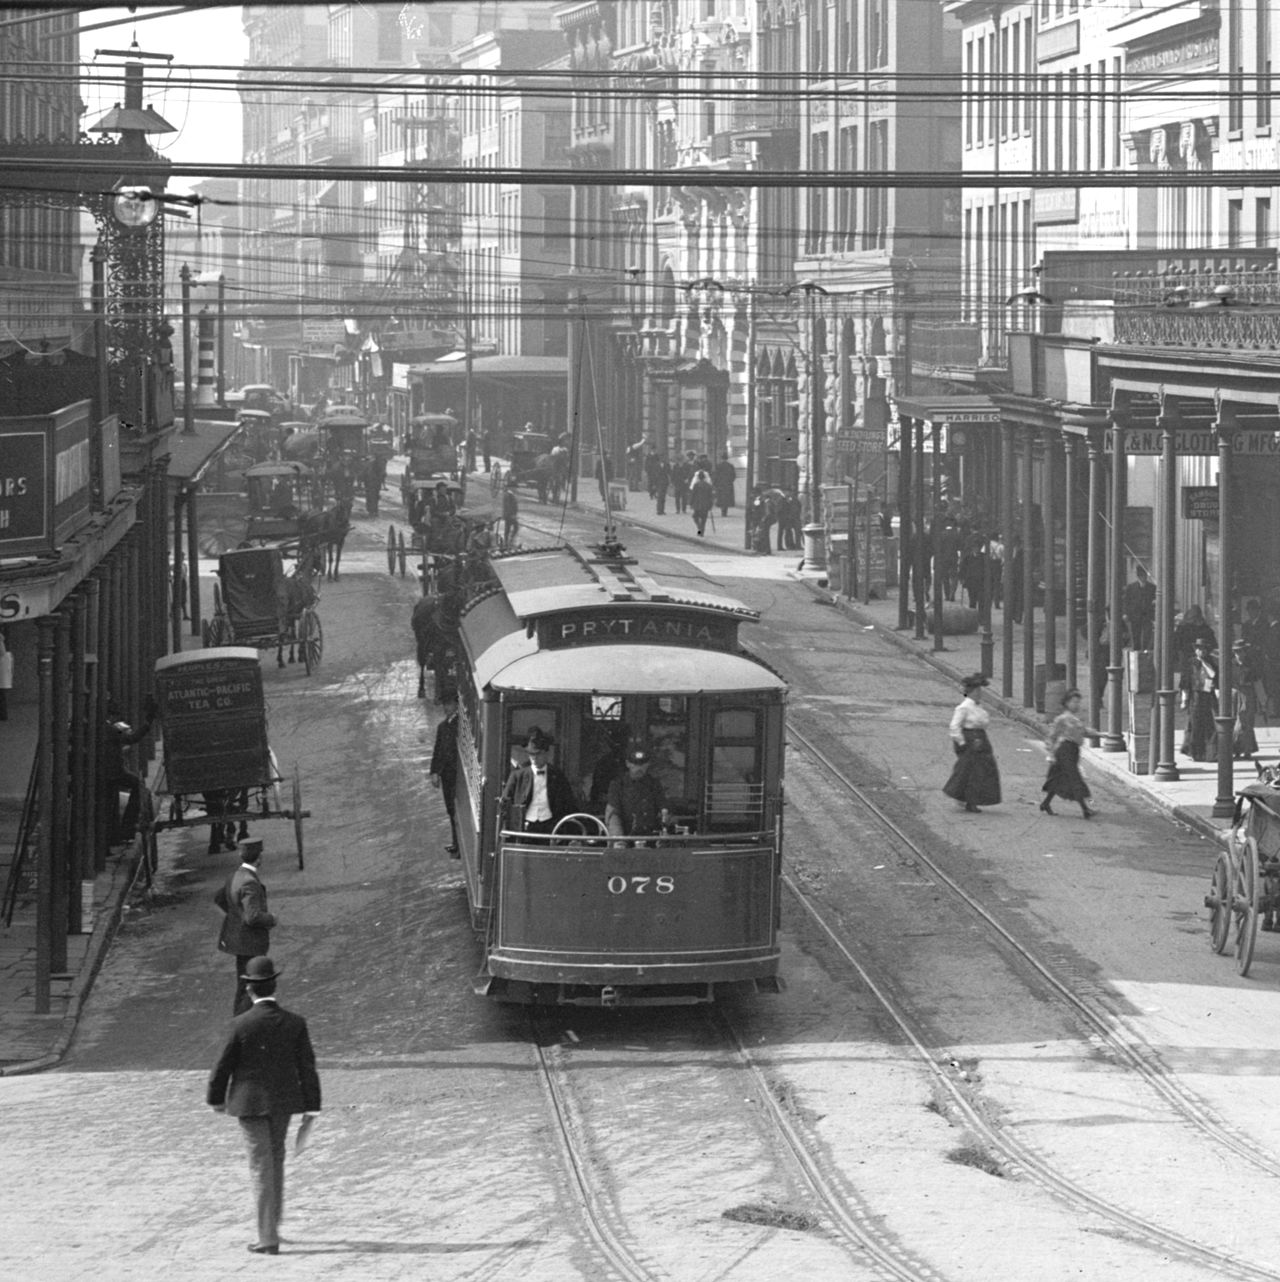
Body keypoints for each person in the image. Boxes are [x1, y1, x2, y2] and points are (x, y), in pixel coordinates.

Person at [207, 957, 321, 1257]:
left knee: (260, 1165)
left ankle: (267, 1237)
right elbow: (307, 1067)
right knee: (277, 1158)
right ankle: (274, 1222)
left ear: (249, 989)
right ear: (274, 985)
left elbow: (222, 1067)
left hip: (249, 1104)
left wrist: (216, 1099)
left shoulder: (240, 1024)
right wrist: (312, 1106)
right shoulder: (295, 1023)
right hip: (284, 1103)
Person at [214, 837, 278, 1016]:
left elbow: (220, 899)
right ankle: (242, 1023)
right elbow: (253, 917)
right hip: (251, 942)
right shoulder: (250, 881)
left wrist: (236, 915)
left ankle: (240, 1021)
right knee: (251, 985)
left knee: (243, 985)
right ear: (258, 857)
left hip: (238, 941)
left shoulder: (234, 876)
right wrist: (271, 919)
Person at [499, 726, 577, 836]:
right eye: (531, 754)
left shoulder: (557, 776)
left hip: (551, 829)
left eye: (538, 754)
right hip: (524, 829)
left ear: (546, 754)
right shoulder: (517, 776)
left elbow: (568, 805)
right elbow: (505, 803)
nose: (534, 758)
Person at [942, 673, 1002, 813]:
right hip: (971, 742)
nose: (979, 694)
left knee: (983, 771)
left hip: (981, 741)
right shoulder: (964, 708)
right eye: (977, 691)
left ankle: (972, 799)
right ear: (972, 692)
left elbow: (983, 724)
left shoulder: (978, 707)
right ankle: (970, 800)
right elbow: (954, 727)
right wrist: (962, 743)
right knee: (972, 772)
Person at [103, 696, 156, 844]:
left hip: (104, 772)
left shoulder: (103, 727)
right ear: (112, 715)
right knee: (137, 784)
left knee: (110, 805)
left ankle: (115, 835)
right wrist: (147, 724)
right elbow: (132, 738)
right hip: (114, 773)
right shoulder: (111, 729)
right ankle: (128, 827)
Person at [1040, 688, 1099, 819]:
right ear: (1066, 703)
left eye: (1078, 702)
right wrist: (1051, 753)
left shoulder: (1075, 719)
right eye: (1074, 702)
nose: (1076, 705)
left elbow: (1084, 732)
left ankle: (1046, 803)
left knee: (1058, 778)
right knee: (1075, 779)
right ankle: (1086, 808)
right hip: (1064, 750)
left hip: (1072, 751)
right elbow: (1051, 736)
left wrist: (1098, 734)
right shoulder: (1062, 719)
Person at [605, 742, 668, 838]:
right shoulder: (618, 785)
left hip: (651, 839)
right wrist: (619, 841)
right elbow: (613, 814)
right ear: (627, 764)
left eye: (643, 764)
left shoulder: (654, 784)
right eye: (635, 764)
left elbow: (663, 808)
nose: (639, 768)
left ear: (648, 764)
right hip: (626, 839)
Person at [430, 691, 462, 856]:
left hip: (457, 775)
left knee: (456, 809)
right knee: (450, 809)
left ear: (456, 705)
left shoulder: (460, 725)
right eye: (445, 705)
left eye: (448, 704)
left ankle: (458, 845)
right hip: (446, 775)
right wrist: (434, 772)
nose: (445, 708)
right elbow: (438, 751)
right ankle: (455, 842)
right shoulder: (443, 726)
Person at [1179, 638, 1219, 762]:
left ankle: (1209, 753)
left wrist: (1217, 693)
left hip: (1208, 697)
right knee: (1195, 725)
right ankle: (1195, 753)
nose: (1201, 651)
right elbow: (1185, 682)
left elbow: (1215, 678)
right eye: (1198, 649)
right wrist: (1184, 699)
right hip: (1195, 697)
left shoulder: (1211, 662)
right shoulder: (1190, 663)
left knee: (1209, 725)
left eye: (1203, 649)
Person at [1233, 638, 1262, 759]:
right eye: (1237, 652)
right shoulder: (1230, 664)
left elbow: (1257, 683)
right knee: (1236, 722)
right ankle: (1237, 750)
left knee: (1247, 722)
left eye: (1241, 651)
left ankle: (1247, 749)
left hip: (1248, 694)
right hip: (1234, 694)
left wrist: (1262, 700)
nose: (1239, 654)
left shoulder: (1251, 665)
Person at [1122, 564, 1157, 650]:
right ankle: (1136, 651)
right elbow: (1126, 601)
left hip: (1147, 615)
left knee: (1147, 635)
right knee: (1135, 635)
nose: (1143, 578)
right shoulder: (1131, 587)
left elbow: (1155, 600)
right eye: (1141, 576)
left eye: (1144, 576)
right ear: (1138, 577)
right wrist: (1125, 613)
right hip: (1135, 615)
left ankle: (1145, 651)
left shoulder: (1152, 588)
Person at [689, 468, 715, 537]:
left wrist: (690, 503)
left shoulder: (696, 485)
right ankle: (701, 532)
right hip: (706, 505)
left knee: (695, 517)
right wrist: (711, 504)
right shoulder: (708, 485)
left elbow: (693, 495)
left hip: (697, 504)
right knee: (704, 519)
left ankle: (699, 529)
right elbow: (711, 496)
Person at [713, 451, 736, 516]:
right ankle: (725, 511)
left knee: (721, 498)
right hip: (728, 484)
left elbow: (716, 475)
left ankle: (722, 511)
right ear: (727, 458)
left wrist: (715, 483)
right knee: (727, 498)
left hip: (720, 485)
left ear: (721, 458)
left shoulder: (719, 466)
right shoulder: (730, 466)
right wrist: (730, 481)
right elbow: (733, 475)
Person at [501, 477, 520, 551]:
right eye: (515, 487)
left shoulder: (509, 494)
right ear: (511, 487)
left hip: (509, 515)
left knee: (508, 529)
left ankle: (507, 543)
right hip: (510, 515)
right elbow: (507, 505)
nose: (516, 489)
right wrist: (511, 515)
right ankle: (509, 542)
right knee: (515, 527)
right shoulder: (509, 494)